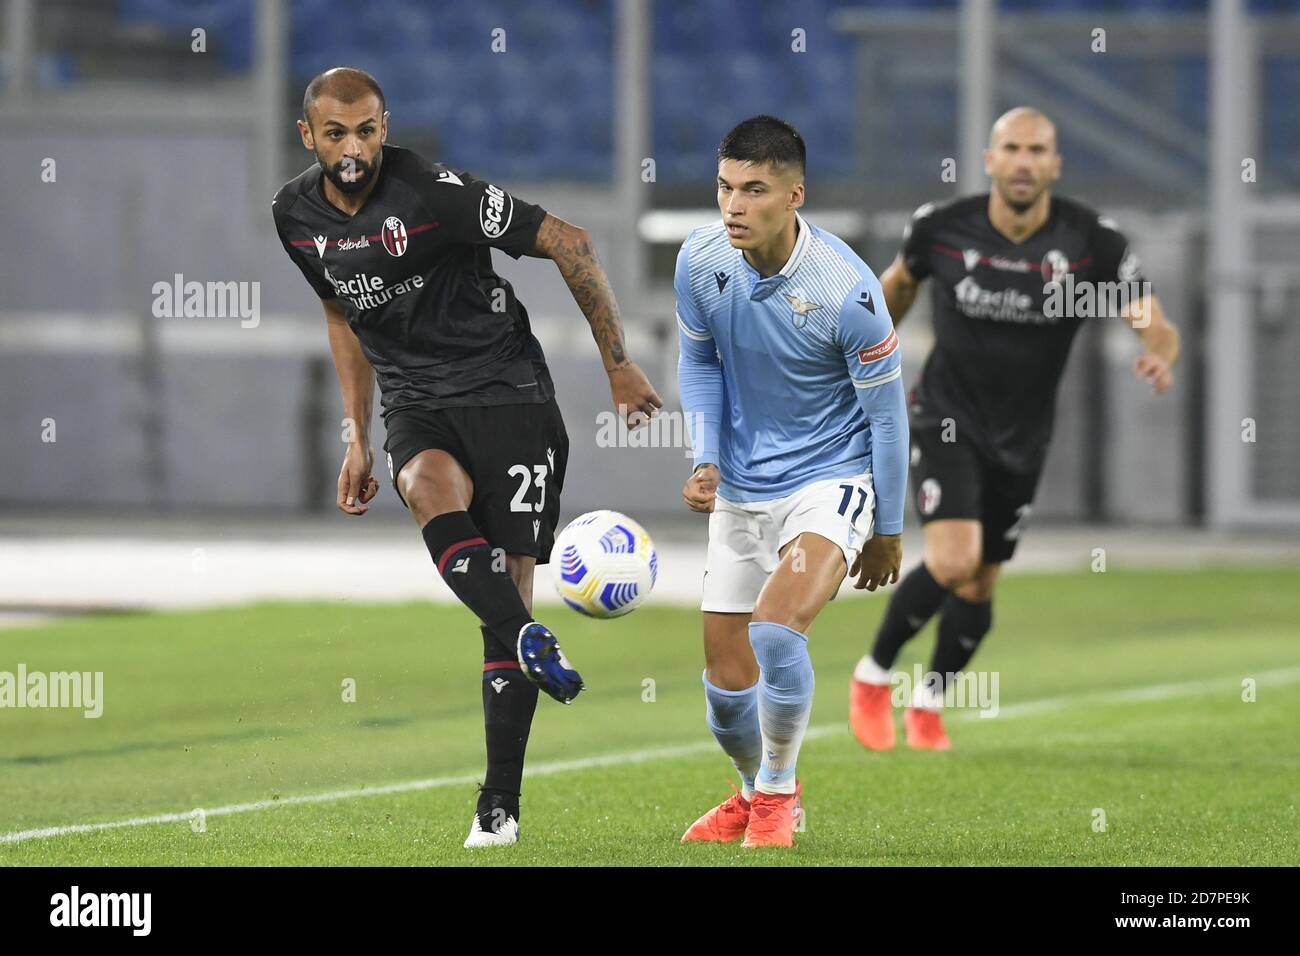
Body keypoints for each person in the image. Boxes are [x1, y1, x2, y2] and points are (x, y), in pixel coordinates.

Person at [271, 67, 662, 847]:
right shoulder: (294, 215)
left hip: (509, 393)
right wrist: (355, 434)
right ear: (308, 135)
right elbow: (342, 319)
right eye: (337, 132)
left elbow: (568, 242)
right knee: (422, 486)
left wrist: (619, 364)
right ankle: (528, 638)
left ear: (387, 128)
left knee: (504, 599)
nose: (355, 147)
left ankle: (499, 805)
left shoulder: (434, 192)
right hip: (416, 400)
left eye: (369, 130)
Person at [849, 107, 1180, 751]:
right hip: (944, 417)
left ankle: (929, 701)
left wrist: (1160, 352)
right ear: (990, 160)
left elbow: (1153, 318)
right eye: (1012, 148)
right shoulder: (941, 228)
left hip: (1024, 437)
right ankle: (872, 675)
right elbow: (897, 289)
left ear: (1055, 164)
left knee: (981, 580)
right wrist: (856, 347)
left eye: (1038, 150)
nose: (1024, 161)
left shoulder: (1092, 241)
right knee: (954, 558)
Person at [676, 116, 909, 848]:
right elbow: (700, 362)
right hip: (744, 485)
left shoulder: (848, 291)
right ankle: (753, 789)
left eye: (754, 190)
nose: (733, 206)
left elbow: (890, 419)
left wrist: (889, 528)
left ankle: (777, 799)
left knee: (777, 633)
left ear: (794, 194)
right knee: (724, 696)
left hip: (829, 478)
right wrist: (704, 456)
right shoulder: (700, 260)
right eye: (724, 187)